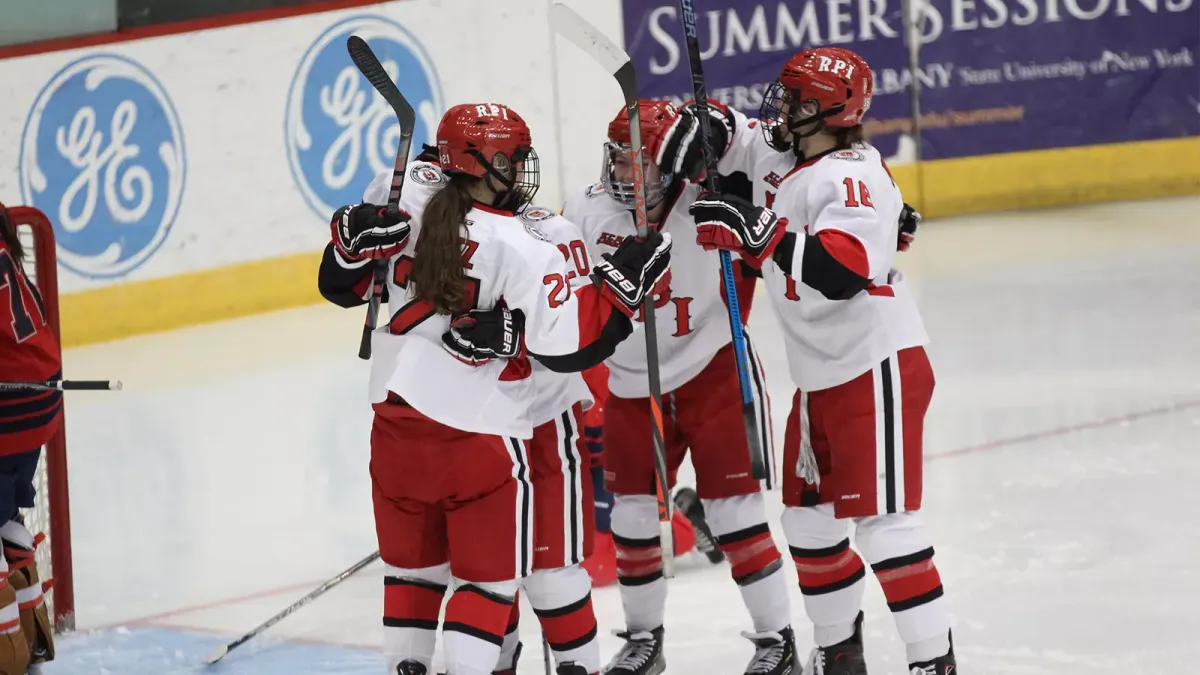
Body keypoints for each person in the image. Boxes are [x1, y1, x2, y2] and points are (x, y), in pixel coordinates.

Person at [316, 102, 672, 675]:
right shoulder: (541, 239)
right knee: (522, 576)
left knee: (429, 574)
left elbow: (345, 284)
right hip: (499, 425)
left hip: (403, 414)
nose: (528, 165)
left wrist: (344, 250)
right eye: (518, 155)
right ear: (489, 163)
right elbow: (574, 345)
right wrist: (623, 289)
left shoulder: (404, 192)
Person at [659, 47, 956, 675]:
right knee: (809, 526)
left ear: (822, 108)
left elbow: (842, 270)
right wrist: (703, 124)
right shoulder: (788, 150)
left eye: (795, 98)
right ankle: (839, 657)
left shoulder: (850, 176)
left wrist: (753, 228)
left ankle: (933, 663)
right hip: (821, 374)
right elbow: (729, 139)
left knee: (885, 528)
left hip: (873, 364)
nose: (782, 107)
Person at [566, 100, 792, 675]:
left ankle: (777, 641)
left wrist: (720, 128)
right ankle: (644, 640)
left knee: (737, 514)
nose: (623, 174)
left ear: (670, 166)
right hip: (631, 385)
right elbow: (565, 306)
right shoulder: (586, 213)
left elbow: (777, 155)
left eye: (638, 163)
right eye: (617, 159)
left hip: (713, 370)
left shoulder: (711, 203)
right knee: (633, 521)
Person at [0, 203, 58, 672]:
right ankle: (32, 640)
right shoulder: (7, 243)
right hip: (39, 400)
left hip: (7, 405)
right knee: (5, 518)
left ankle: (7, 655)